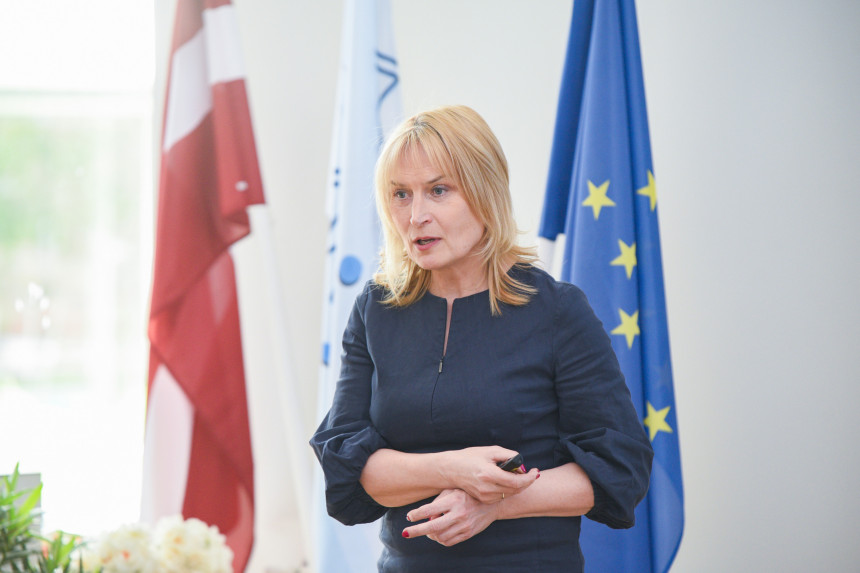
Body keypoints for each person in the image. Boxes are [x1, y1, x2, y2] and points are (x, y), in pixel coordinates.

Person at [310, 105, 653, 572]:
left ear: (485, 191)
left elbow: (619, 468)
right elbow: (349, 467)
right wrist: (452, 468)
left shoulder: (557, 311)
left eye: (438, 191)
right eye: (400, 194)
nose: (416, 216)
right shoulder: (376, 309)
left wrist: (494, 504)